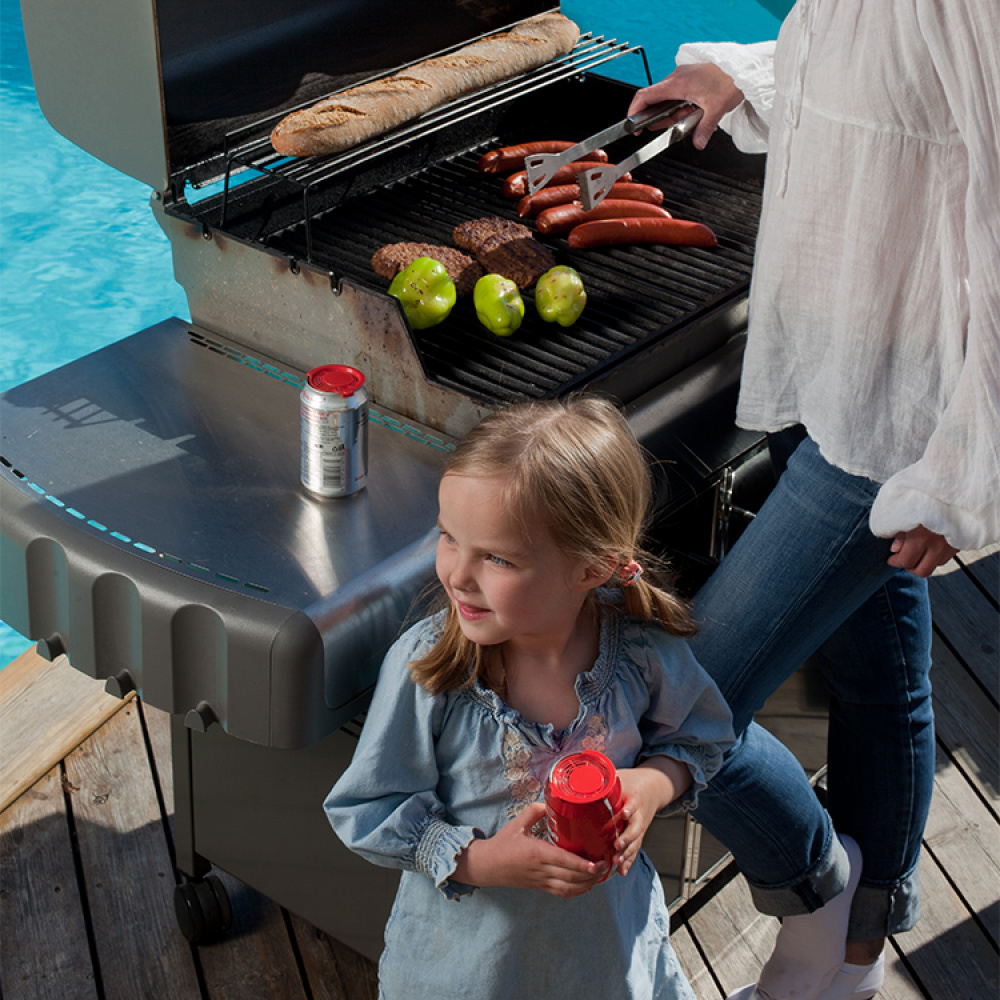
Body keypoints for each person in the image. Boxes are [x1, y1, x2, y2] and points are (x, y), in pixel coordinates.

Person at [627, 1, 999, 999]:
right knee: (884, 684)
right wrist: (745, 77)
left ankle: (819, 891)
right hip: (842, 366)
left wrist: (964, 470)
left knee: (675, 710)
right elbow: (869, 66)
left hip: (901, 422)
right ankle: (851, 962)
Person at [323, 396, 735, 999]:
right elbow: (367, 808)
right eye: (448, 538)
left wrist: (653, 784)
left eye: (496, 557)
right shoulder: (430, 669)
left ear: (592, 568)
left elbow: (700, 736)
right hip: (466, 974)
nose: (458, 575)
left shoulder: (642, 657)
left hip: (602, 965)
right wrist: (483, 862)